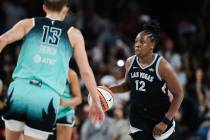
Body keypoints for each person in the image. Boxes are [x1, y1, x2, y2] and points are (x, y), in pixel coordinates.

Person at [0, 0, 104, 140]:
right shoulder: (74, 35)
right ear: (66, 10)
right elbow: (85, 71)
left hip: (19, 90)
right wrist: (96, 102)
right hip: (46, 97)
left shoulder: (28, 23)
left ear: (44, 7)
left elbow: (3, 39)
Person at [109, 20, 184, 140]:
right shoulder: (130, 62)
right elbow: (128, 85)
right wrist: (109, 89)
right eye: (136, 41)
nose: (137, 45)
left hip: (159, 116)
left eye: (142, 42)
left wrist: (165, 121)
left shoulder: (162, 66)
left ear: (152, 45)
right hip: (138, 116)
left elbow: (179, 94)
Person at [48, 68, 82, 140]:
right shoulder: (45, 71)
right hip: (47, 112)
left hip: (64, 113)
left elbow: (79, 99)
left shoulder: (70, 74)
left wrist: (63, 102)